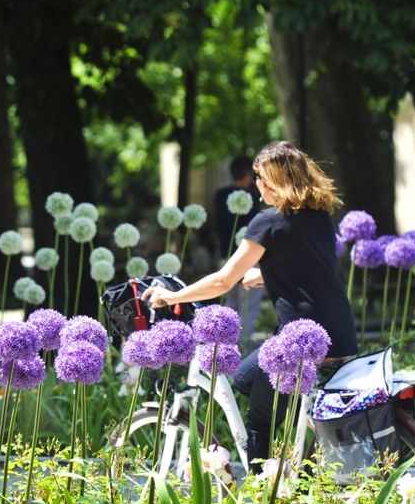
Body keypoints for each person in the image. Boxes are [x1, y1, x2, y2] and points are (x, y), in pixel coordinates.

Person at [144, 141, 358, 473]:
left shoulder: (268, 222)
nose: (257, 183)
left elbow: (223, 281)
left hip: (299, 340)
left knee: (258, 419)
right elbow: (309, 265)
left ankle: (266, 502)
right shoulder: (319, 215)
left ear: (271, 180)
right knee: (245, 379)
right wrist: (268, 272)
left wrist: (171, 297)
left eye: (260, 176)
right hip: (339, 333)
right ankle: (299, 456)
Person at [214, 155, 264, 341]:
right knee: (248, 306)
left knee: (230, 304)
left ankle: (225, 343)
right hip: (246, 260)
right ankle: (241, 345)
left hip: (224, 255)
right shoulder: (251, 196)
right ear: (249, 175)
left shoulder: (220, 195)